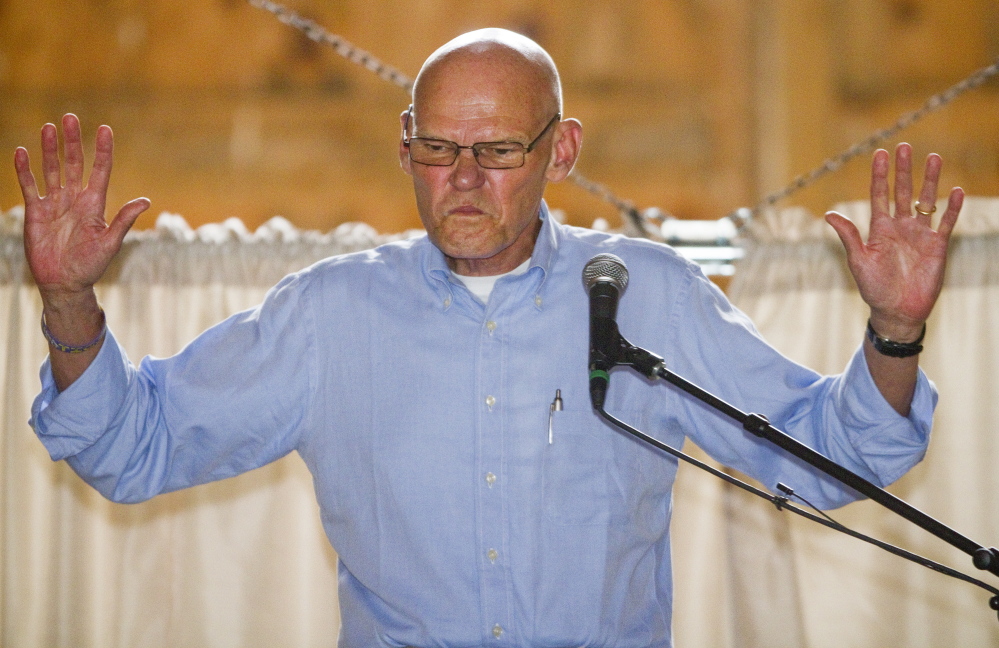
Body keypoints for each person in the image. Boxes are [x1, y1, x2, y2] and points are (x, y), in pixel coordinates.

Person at [15, 28, 962, 648]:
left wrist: (893, 328)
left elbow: (825, 460)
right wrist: (66, 306)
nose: (462, 178)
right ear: (405, 145)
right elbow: (131, 449)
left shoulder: (647, 297)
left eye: (498, 150)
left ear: (563, 150)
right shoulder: (328, 317)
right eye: (436, 147)